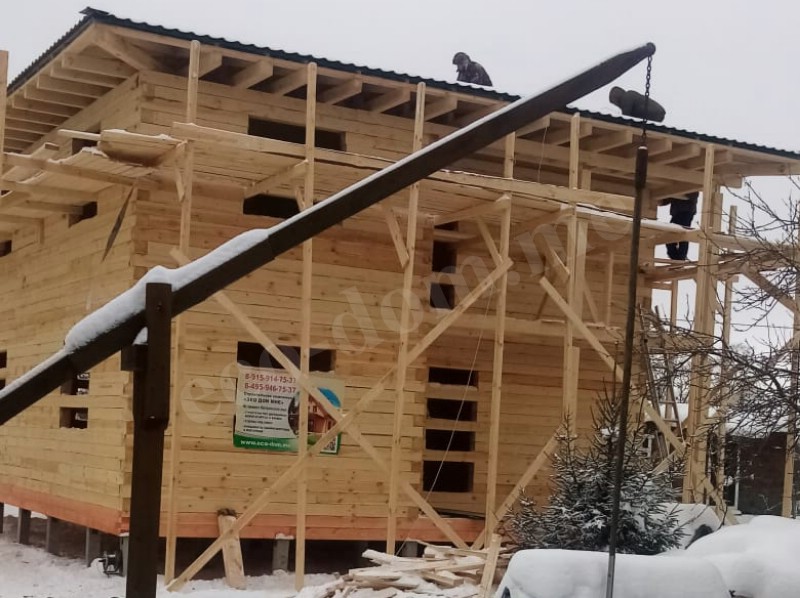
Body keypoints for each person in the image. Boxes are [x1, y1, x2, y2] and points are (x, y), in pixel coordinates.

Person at [661, 191, 699, 260]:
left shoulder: (692, 188)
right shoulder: (675, 188)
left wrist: (677, 193)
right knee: (670, 235)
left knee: (683, 235)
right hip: (678, 212)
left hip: (686, 212)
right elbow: (667, 199)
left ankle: (681, 257)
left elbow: (693, 195)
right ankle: (677, 257)